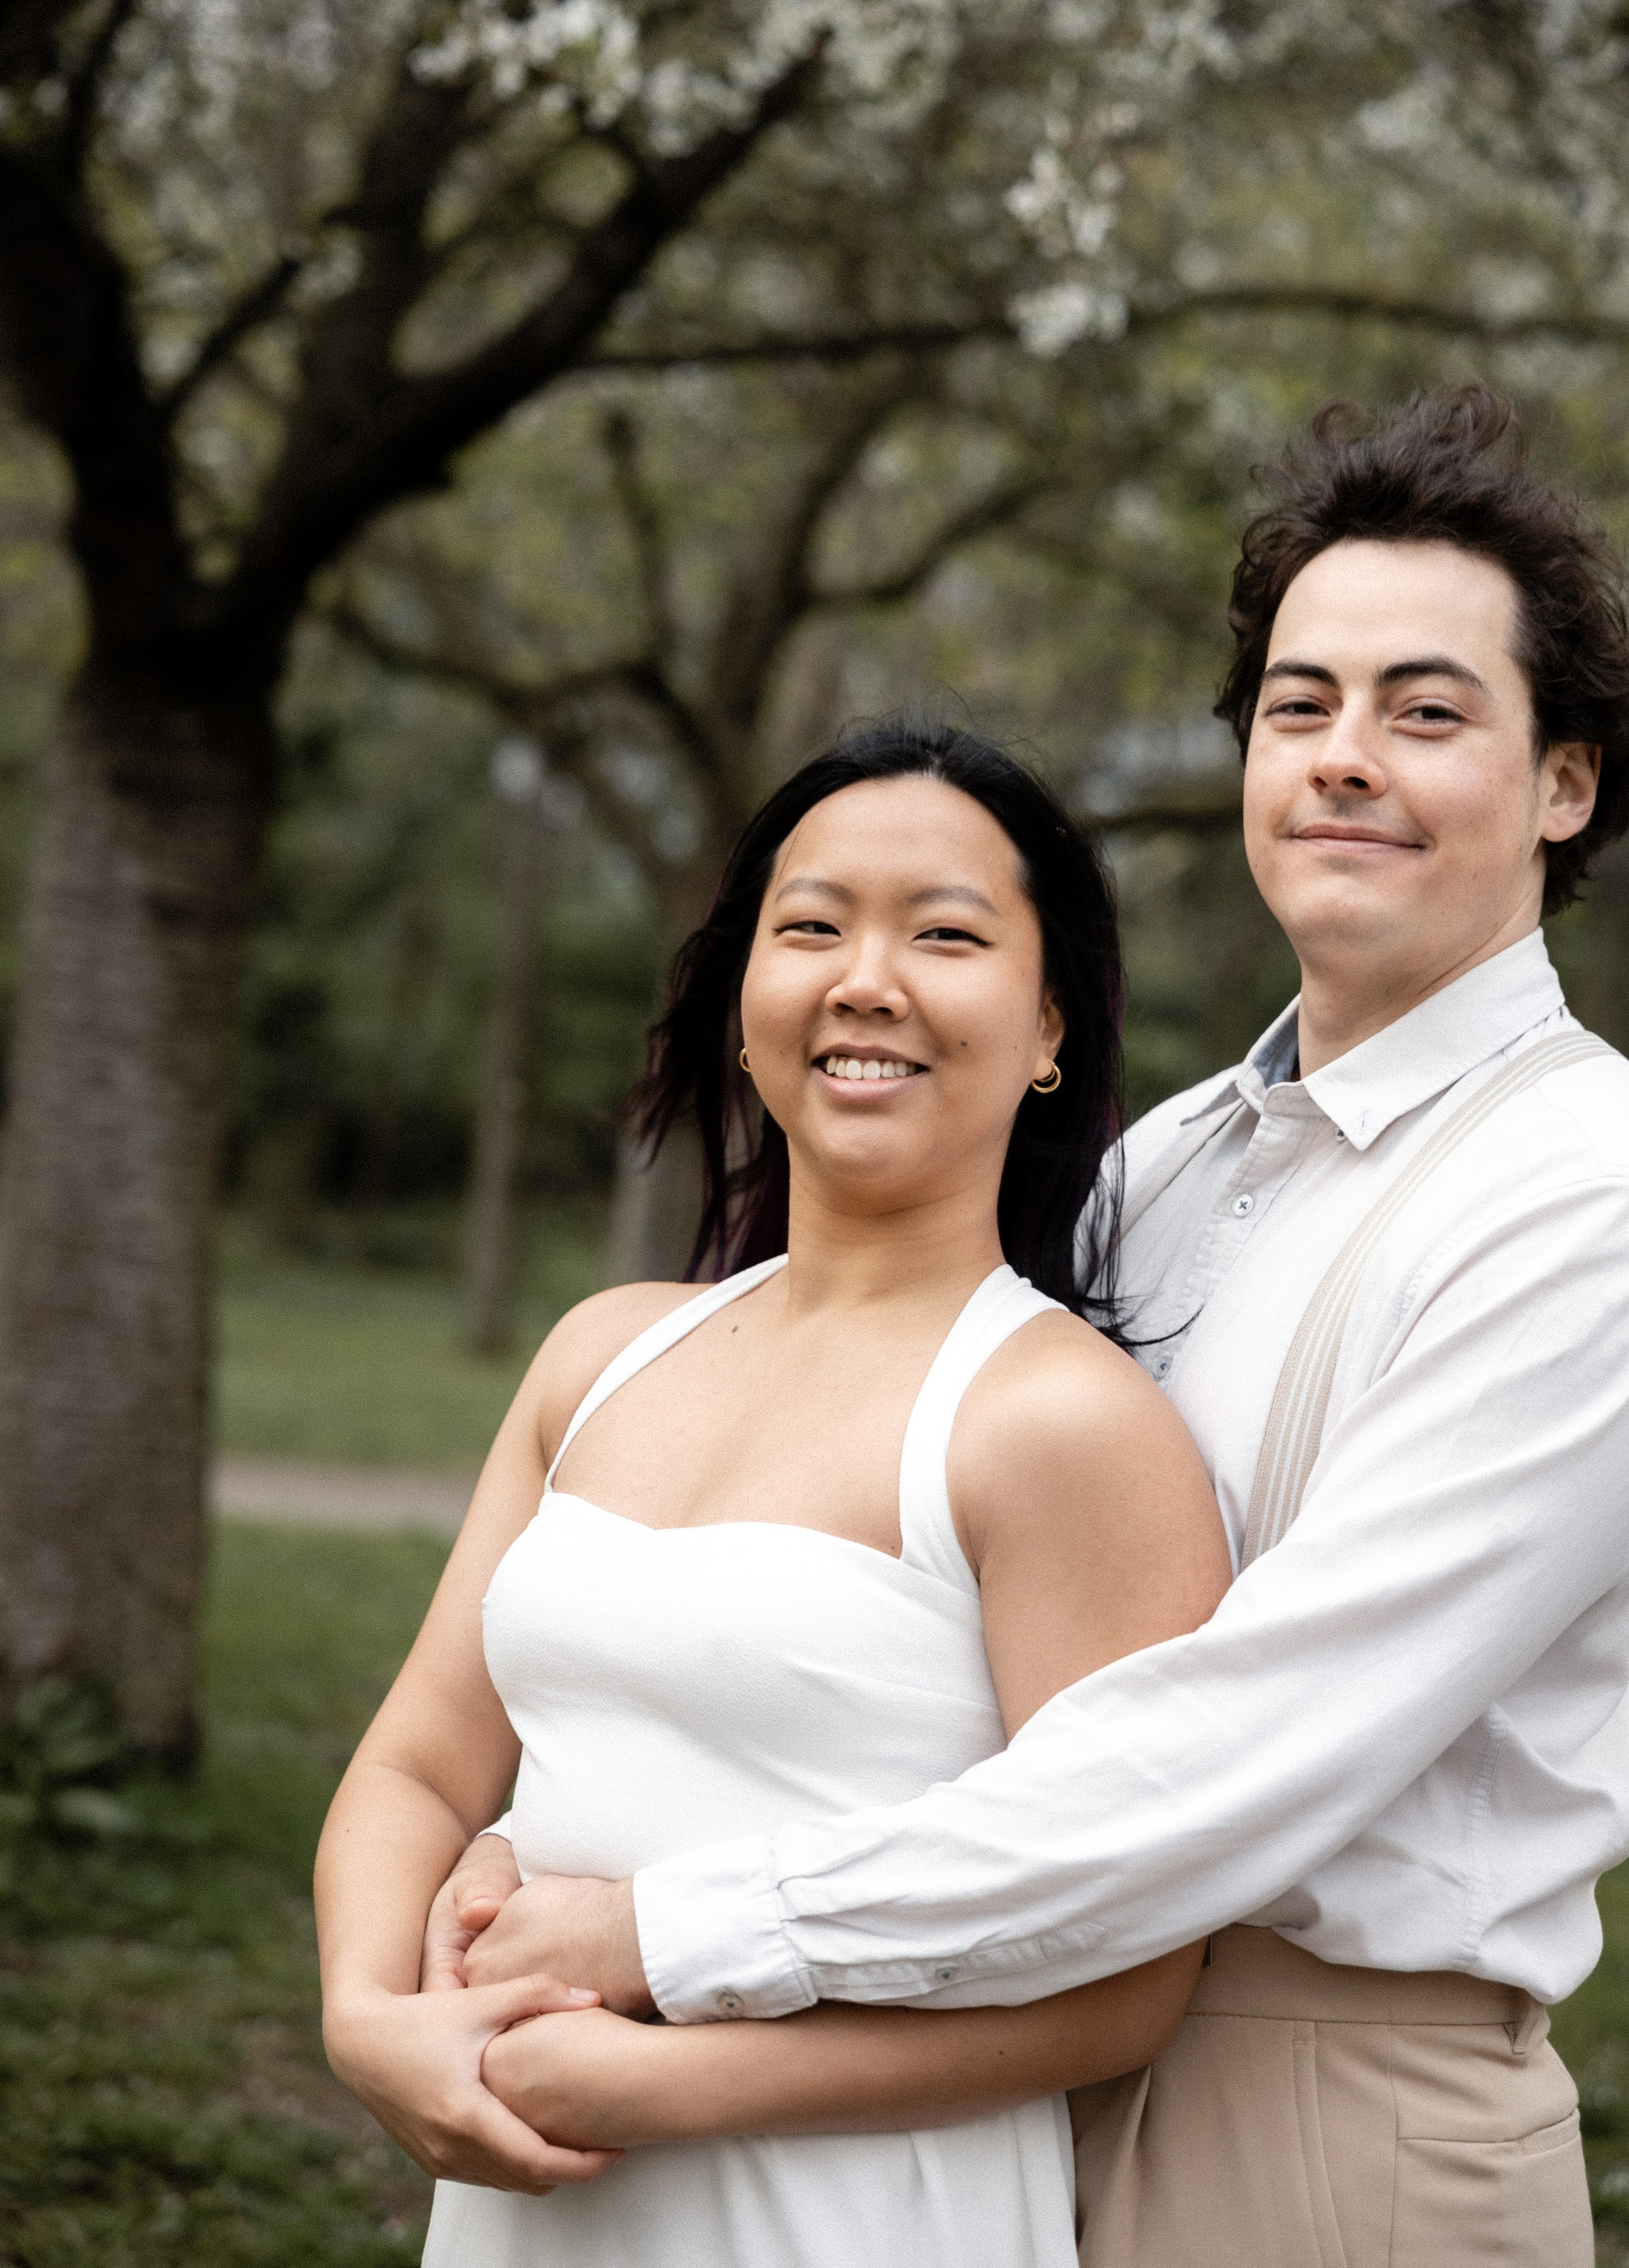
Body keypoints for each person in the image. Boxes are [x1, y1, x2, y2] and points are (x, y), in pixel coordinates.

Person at [434, 384, 1629, 2267]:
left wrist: (668, 1932)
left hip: (1325, 2116)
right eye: (1301, 706)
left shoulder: (1581, 1204)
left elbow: (1231, 1751)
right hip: (975, 2076)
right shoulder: (1171, 1163)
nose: (1345, 757)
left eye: (1427, 712)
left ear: (1565, 783)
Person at [316, 723, 1232, 2265]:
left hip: (851, 2218)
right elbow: (417, 1765)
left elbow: (1128, 1982)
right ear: (744, 1004)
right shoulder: (598, 1354)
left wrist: (668, 2079)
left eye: (944, 934)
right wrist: (365, 2020)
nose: (864, 979)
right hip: (519, 2203)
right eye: (809, 926)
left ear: (1048, 1021)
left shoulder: (1063, 1425)